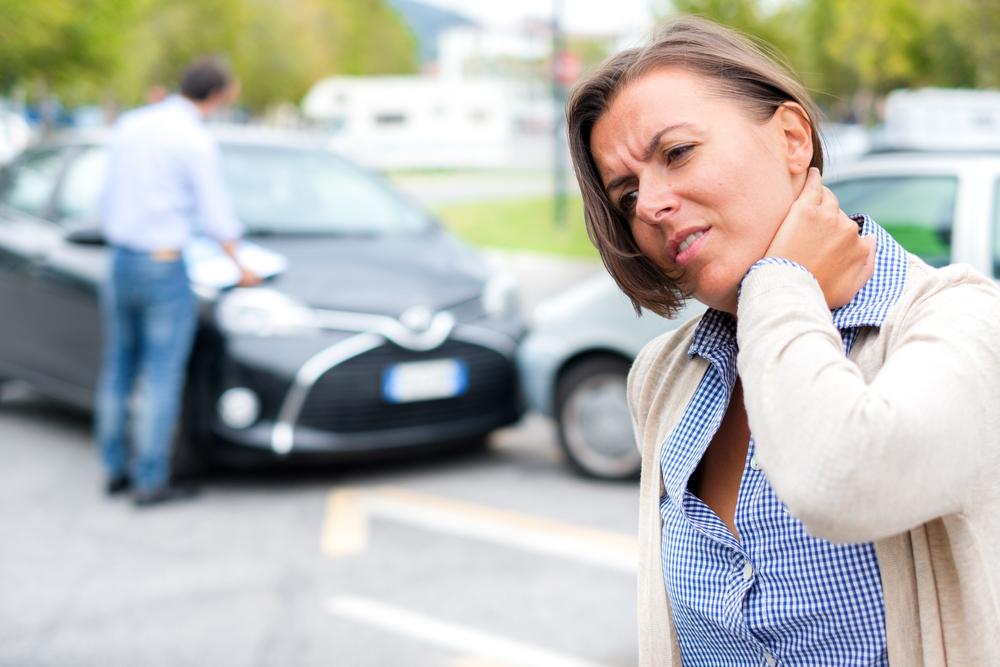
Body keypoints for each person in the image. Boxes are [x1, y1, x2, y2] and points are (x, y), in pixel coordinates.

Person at [566, 16, 1000, 667]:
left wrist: (781, 281)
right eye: (626, 194)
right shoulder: (662, 377)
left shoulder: (962, 321)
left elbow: (842, 479)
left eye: (677, 153)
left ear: (793, 138)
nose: (651, 205)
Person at [96, 56, 259, 507]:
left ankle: (114, 469)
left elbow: (105, 197)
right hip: (164, 264)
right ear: (220, 94)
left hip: (121, 259)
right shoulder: (194, 139)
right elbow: (216, 214)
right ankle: (151, 478)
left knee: (118, 370)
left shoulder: (130, 125)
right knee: (161, 374)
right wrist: (241, 263)